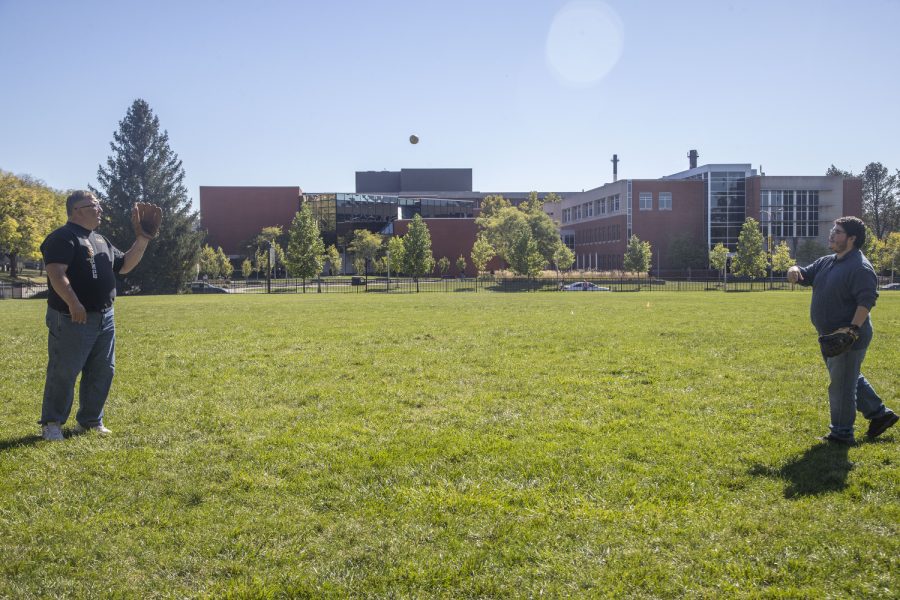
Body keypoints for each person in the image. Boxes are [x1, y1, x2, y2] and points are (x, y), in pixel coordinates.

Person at [38, 191, 159, 441]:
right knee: (64, 371)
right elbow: (56, 273)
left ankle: (91, 421)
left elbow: (124, 265)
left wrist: (143, 239)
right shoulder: (63, 237)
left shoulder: (100, 239)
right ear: (76, 210)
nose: (99, 209)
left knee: (103, 370)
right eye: (93, 205)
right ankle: (52, 423)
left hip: (105, 317)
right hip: (72, 316)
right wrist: (73, 302)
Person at [787, 216, 897, 444]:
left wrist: (852, 331)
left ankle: (842, 432)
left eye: (837, 232)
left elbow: (866, 301)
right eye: (833, 231)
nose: (831, 234)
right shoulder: (828, 261)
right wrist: (794, 269)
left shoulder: (860, 267)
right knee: (849, 378)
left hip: (848, 337)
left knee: (841, 386)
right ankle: (880, 415)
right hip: (829, 336)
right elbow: (805, 273)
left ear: (852, 238)